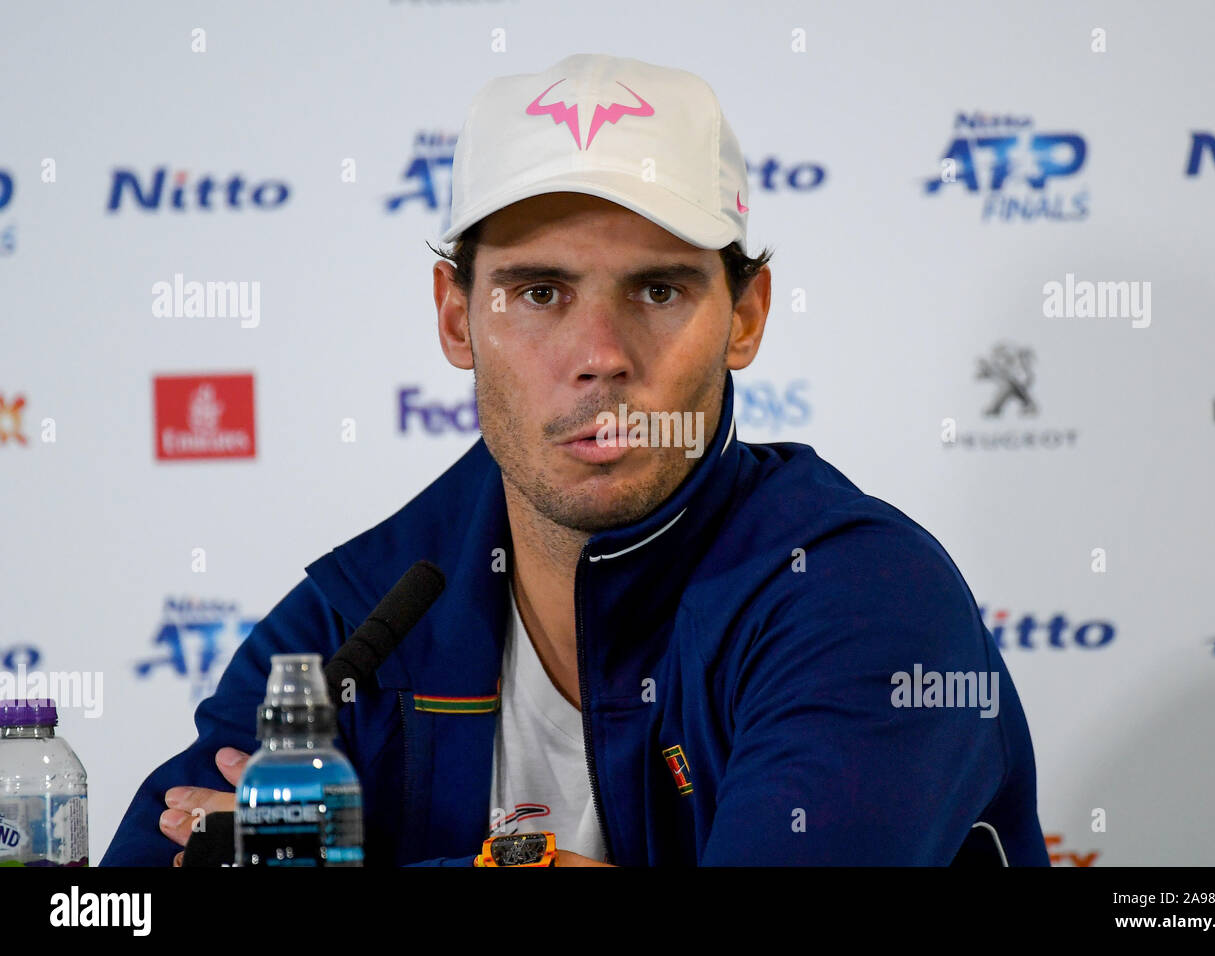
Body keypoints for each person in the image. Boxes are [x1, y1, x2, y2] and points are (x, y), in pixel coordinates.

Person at [102, 52, 1049, 867]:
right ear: (454, 316)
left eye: (659, 289)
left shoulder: (860, 598)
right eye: (541, 291)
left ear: (746, 318)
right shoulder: (356, 621)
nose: (600, 353)